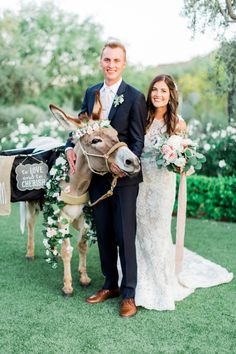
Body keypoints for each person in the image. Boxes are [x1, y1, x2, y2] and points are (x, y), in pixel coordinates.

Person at [135, 74, 233, 311]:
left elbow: (184, 160)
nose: (158, 94)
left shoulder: (178, 123)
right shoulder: (142, 118)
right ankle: (138, 280)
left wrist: (179, 160)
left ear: (171, 96)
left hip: (162, 185)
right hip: (140, 183)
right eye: (155, 90)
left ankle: (160, 282)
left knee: (158, 231)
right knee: (140, 230)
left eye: (164, 91)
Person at [66, 40, 147, 317]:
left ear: (123, 64)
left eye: (116, 60)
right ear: (101, 62)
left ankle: (129, 293)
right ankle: (109, 284)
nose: (111, 65)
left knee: (125, 236)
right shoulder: (91, 93)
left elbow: (137, 141)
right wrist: (68, 146)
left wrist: (125, 167)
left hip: (124, 181)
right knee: (104, 232)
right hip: (97, 177)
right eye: (107, 60)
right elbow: (80, 128)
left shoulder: (134, 97)